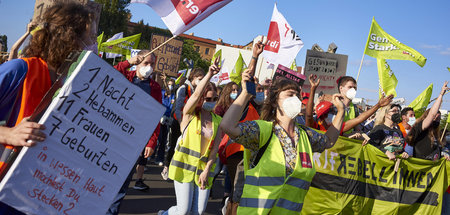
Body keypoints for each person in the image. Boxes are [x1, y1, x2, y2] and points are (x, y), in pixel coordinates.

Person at [219, 40, 345, 214]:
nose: (296, 99)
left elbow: (330, 140)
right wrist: (246, 94)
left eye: (298, 96)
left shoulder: (305, 136)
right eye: (290, 95)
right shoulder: (263, 130)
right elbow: (227, 126)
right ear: (274, 101)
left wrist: (341, 111)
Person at [0, 2, 94, 214]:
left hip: (35, 198)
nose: (92, 45)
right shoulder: (20, 69)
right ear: (68, 37)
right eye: (88, 38)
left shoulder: (67, 86)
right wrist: (8, 134)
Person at [159, 57, 222, 215]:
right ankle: (165, 214)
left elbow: (214, 150)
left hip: (203, 171)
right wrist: (209, 74)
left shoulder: (218, 121)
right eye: (208, 99)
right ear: (202, 98)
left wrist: (207, 170)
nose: (212, 102)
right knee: (183, 211)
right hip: (184, 166)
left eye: (215, 99)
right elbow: (194, 97)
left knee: (198, 211)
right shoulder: (190, 115)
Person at [106, 51, 161, 214]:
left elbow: (155, 116)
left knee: (122, 183)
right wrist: (127, 62)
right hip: (111, 135)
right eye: (146, 63)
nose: (149, 68)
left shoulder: (155, 88)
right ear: (137, 62)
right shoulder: (126, 76)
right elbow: (108, 75)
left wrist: (152, 142)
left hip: (133, 141)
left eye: (152, 64)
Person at [161, 68, 206, 180]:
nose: (201, 81)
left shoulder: (198, 90)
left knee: (182, 147)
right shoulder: (184, 88)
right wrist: (181, 122)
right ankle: (166, 168)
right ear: (193, 77)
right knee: (172, 144)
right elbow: (178, 107)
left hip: (190, 123)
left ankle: (175, 168)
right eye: (200, 79)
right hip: (177, 121)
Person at [406, 81, 450, 161]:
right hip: (420, 168)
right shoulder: (420, 128)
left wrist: (444, 154)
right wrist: (441, 95)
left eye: (439, 119)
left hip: (432, 169)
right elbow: (432, 114)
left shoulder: (437, 134)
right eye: (435, 118)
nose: (437, 121)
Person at [155, 78, 176, 166]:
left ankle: (159, 158)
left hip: (167, 120)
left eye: (172, 85)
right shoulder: (162, 92)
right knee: (157, 139)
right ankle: (151, 155)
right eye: (169, 84)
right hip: (159, 119)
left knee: (163, 140)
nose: (170, 86)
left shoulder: (174, 96)